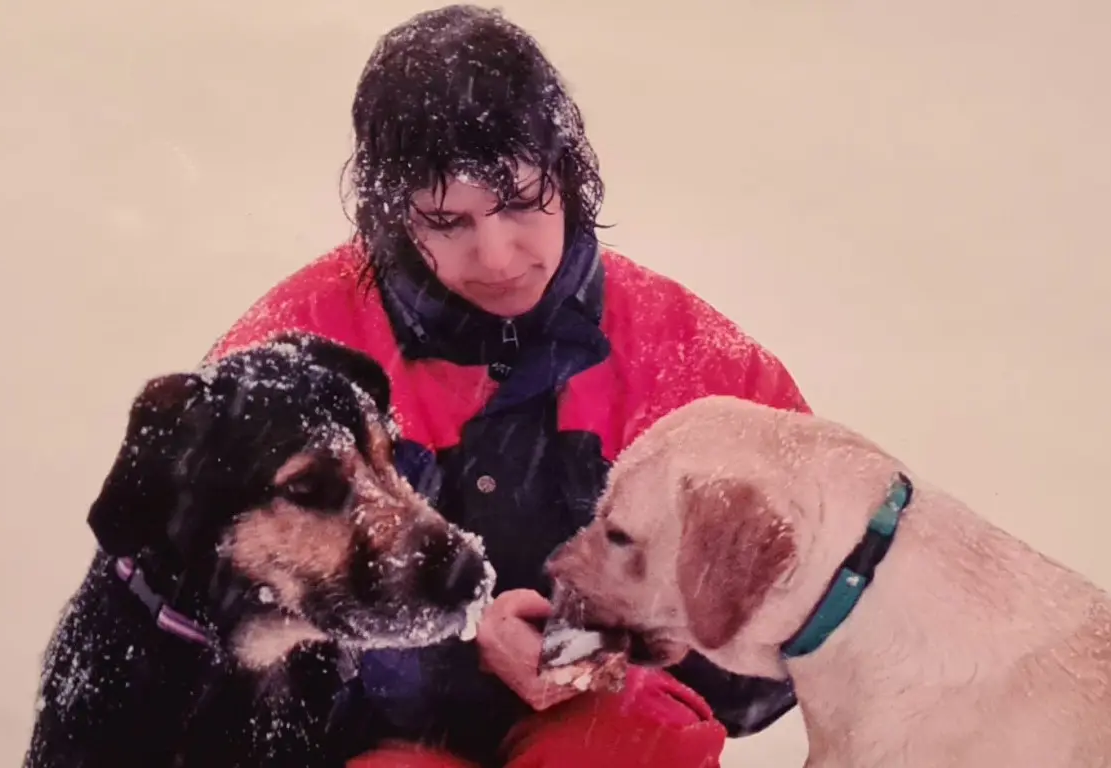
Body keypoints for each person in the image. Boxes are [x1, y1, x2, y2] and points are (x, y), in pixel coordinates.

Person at [206, 5, 812, 766]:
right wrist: (458, 650)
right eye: (445, 219)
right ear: (394, 215)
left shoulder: (699, 370)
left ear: (568, 174)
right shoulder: (284, 361)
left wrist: (592, 648)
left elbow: (797, 641)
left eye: (521, 202)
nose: (495, 255)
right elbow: (199, 631)